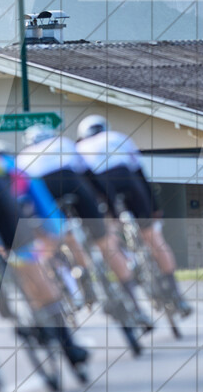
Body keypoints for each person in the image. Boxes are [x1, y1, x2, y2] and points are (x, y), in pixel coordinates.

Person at [0, 141, 89, 368]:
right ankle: (69, 347)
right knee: (29, 263)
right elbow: (46, 211)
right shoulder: (15, 168)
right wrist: (50, 237)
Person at [18, 124, 151, 328]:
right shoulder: (64, 143)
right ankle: (135, 305)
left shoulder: (22, 158)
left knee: (51, 242)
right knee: (106, 243)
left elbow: (28, 197)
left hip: (45, 190)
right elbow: (89, 175)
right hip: (73, 183)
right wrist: (107, 204)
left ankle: (76, 277)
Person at [76, 114, 191, 314]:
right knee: (153, 236)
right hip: (129, 179)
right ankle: (176, 295)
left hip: (101, 184)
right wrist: (155, 208)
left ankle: (133, 302)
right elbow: (140, 174)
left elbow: (85, 186)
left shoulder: (79, 149)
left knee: (109, 237)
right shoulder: (120, 138)